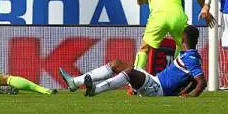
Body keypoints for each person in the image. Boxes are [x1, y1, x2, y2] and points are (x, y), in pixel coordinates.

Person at [59, 25, 206, 97]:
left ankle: (95, 90)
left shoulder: (191, 58)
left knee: (129, 72)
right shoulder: (187, 54)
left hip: (158, 89)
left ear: (183, 38)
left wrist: (190, 96)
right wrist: (184, 92)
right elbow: (192, 81)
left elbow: (201, 82)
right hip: (155, 81)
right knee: (116, 63)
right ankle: (75, 82)